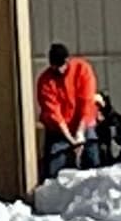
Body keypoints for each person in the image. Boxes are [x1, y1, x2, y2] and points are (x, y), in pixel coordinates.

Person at [35, 41, 103, 178]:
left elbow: (87, 101)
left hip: (85, 122)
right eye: (55, 67)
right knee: (55, 169)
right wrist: (71, 139)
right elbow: (53, 112)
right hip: (58, 130)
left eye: (62, 66)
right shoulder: (45, 80)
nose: (59, 70)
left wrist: (80, 133)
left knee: (93, 164)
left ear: (67, 60)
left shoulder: (82, 69)